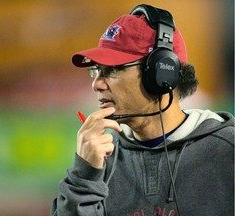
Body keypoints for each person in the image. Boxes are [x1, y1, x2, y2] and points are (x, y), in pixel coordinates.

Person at [51, 4, 234, 216]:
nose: (96, 85)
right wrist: (85, 176)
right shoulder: (99, 161)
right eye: (97, 71)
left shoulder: (228, 151)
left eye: (114, 69)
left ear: (162, 73)